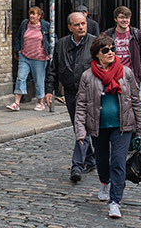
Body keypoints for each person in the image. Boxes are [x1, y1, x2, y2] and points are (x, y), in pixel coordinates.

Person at [74, 35, 141, 219]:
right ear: (96, 54)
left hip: (122, 125)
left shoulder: (126, 72)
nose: (110, 53)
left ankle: (115, 201)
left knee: (118, 161)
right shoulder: (87, 76)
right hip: (98, 125)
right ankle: (104, 182)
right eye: (105, 50)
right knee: (101, 159)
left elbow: (135, 101)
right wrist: (81, 131)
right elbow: (81, 105)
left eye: (112, 49)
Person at [44, 12, 96, 183]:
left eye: (83, 23)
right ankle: (90, 159)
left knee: (84, 128)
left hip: (91, 92)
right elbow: (53, 68)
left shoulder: (94, 43)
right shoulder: (61, 44)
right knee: (78, 126)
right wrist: (49, 89)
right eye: (77, 25)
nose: (81, 27)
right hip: (71, 92)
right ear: (70, 27)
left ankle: (77, 166)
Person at [7, 6, 50, 111]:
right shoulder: (25, 24)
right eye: (31, 13)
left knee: (39, 80)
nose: (32, 16)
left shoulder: (45, 26)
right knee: (20, 77)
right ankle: (16, 103)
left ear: (39, 16)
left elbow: (53, 38)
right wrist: (18, 50)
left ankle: (40, 102)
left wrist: (49, 51)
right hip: (25, 56)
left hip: (39, 57)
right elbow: (18, 37)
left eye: (34, 14)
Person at [102, 6, 141, 90]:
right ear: (115, 19)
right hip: (113, 76)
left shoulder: (138, 34)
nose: (124, 20)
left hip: (132, 77)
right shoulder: (108, 34)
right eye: (121, 17)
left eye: (127, 17)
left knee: (132, 102)